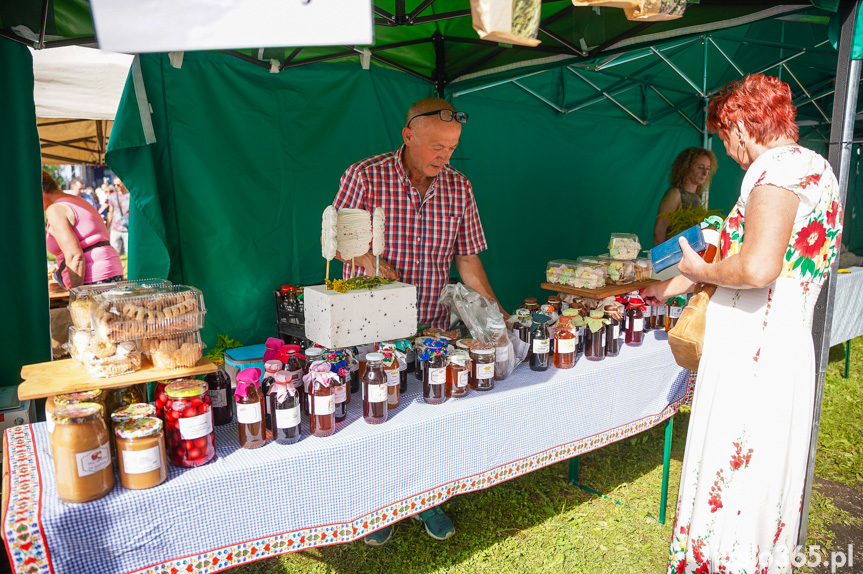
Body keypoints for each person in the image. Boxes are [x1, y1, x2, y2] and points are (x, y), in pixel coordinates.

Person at [643, 74, 843, 573]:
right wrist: (674, 283)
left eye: (726, 137)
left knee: (733, 475)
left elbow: (755, 268)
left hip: (752, 355)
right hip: (782, 346)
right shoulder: (817, 168)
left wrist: (698, 270)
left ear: (738, 125)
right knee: (759, 481)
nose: (729, 152)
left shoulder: (774, 171)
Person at [332, 97, 507, 546]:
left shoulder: (459, 187)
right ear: (408, 135)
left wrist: (495, 311)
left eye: (450, 148)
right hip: (371, 324)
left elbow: (467, 261)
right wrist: (372, 260)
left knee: (430, 412)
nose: (442, 157)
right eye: (435, 146)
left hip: (431, 324)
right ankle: (379, 503)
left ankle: (426, 496)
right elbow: (338, 241)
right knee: (379, 411)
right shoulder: (364, 176)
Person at [44, 170, 123, 289]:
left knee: (85, 308)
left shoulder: (55, 209)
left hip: (93, 277)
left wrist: (76, 297)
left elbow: (75, 255)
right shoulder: (77, 201)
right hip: (110, 269)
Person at [653, 147, 717, 245]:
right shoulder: (675, 194)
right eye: (700, 167)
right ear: (686, 167)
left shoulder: (698, 199)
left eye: (708, 169)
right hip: (672, 256)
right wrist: (661, 258)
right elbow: (659, 231)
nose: (705, 173)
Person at [106, 177, 130, 256]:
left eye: (118, 184)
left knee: (129, 251)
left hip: (127, 228)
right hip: (115, 227)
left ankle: (128, 268)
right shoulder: (113, 195)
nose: (116, 186)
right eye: (114, 185)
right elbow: (110, 212)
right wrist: (108, 228)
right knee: (115, 252)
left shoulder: (130, 195)